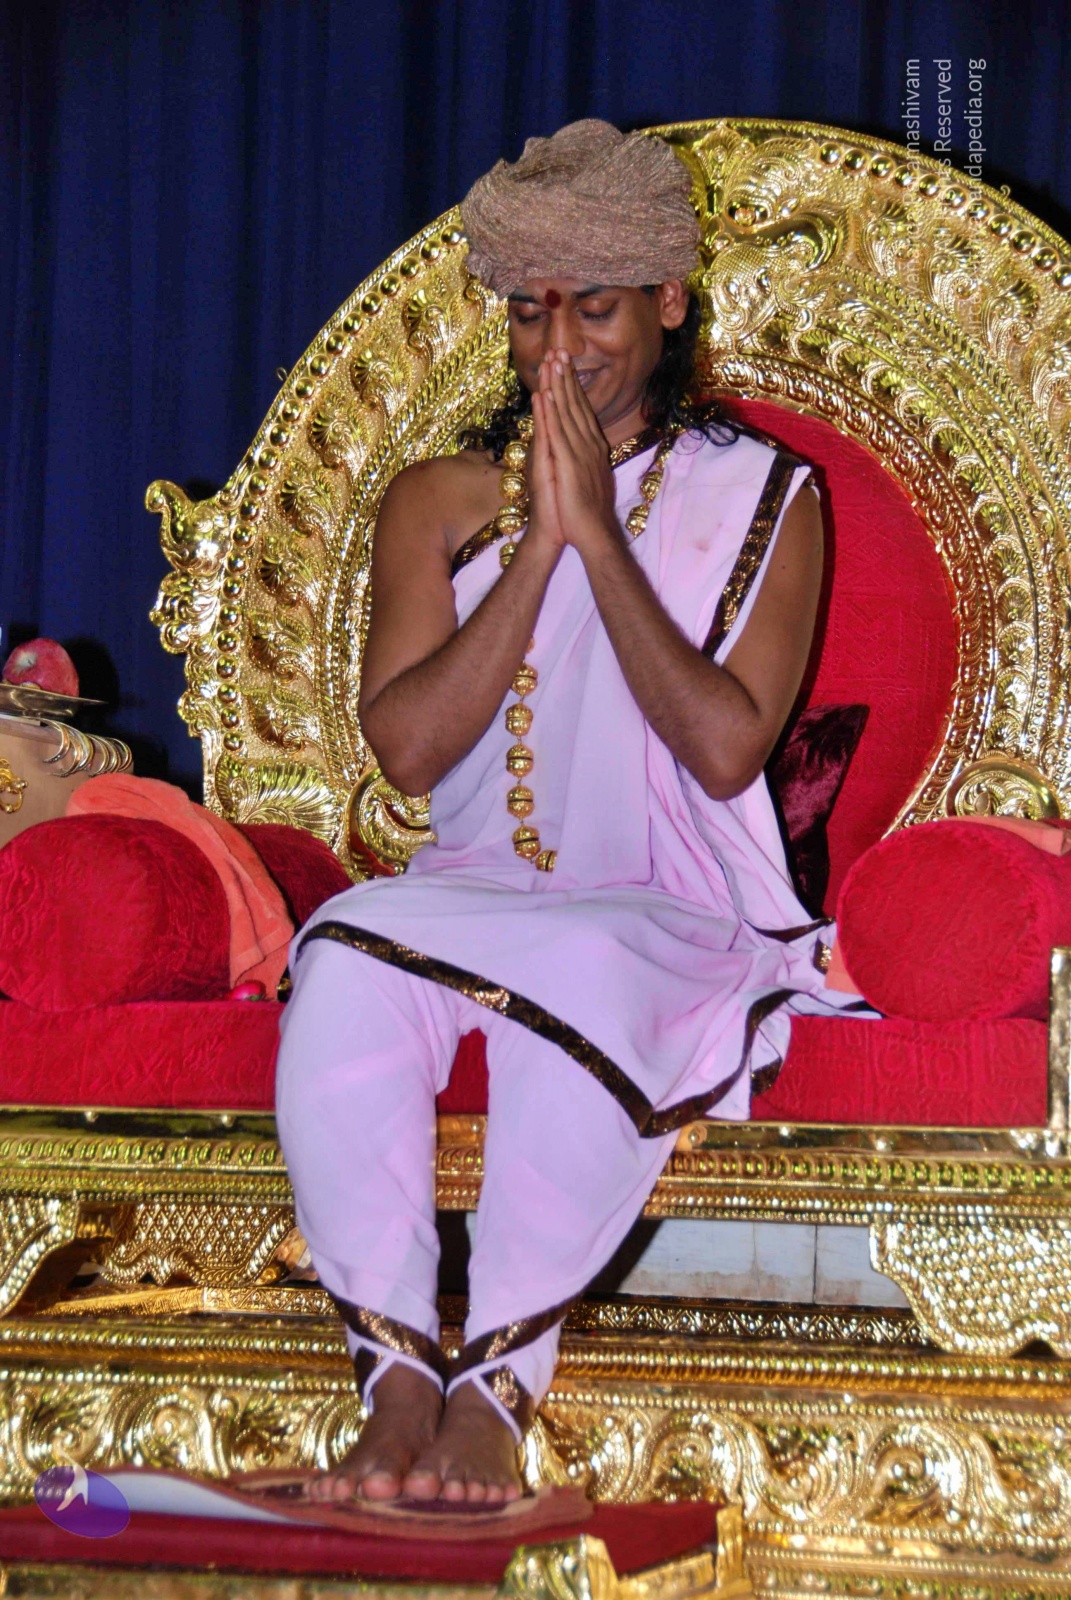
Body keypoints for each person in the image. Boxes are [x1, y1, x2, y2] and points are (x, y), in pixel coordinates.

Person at [275, 118, 860, 1508]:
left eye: (594, 307)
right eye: (533, 313)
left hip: (668, 910)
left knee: (582, 972)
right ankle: (396, 1374)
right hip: (473, 892)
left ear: (669, 300)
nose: (560, 348)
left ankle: (495, 1389)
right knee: (344, 953)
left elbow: (726, 750)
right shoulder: (439, 502)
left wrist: (602, 534)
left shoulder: (770, 497)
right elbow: (408, 752)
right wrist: (539, 541)